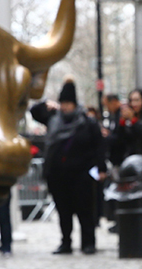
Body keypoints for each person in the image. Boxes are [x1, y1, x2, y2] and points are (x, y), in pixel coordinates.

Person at [30, 79, 105, 254]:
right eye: (62, 103)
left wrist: (101, 168)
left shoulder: (87, 122)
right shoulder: (54, 120)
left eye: (68, 104)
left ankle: (88, 243)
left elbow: (99, 146)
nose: (65, 107)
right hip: (58, 175)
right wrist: (45, 103)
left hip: (81, 175)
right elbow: (34, 111)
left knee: (85, 211)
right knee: (64, 212)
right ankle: (66, 242)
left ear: (74, 103)